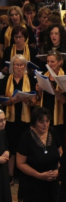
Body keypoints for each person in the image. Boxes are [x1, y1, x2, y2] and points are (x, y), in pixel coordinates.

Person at [17, 107, 61, 202]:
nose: (45, 124)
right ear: (34, 123)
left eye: (47, 121)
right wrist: (38, 175)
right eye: (41, 121)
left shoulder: (53, 133)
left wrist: (57, 170)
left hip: (51, 183)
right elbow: (20, 163)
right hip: (32, 184)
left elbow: (60, 153)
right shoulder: (26, 137)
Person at [0, 54, 37, 185]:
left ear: (25, 66)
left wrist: (28, 101)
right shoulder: (5, 80)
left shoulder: (31, 79)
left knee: (24, 148)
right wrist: (11, 101)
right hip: (10, 120)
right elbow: (2, 100)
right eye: (16, 64)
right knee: (11, 146)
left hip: (25, 120)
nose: (19, 67)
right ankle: (10, 175)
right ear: (12, 66)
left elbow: (35, 99)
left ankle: (23, 176)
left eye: (21, 65)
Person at [36, 50, 66, 145]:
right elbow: (40, 97)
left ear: (59, 62)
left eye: (52, 61)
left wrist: (54, 91)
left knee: (57, 140)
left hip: (58, 114)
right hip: (46, 110)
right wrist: (39, 90)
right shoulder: (45, 75)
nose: (49, 64)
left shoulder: (64, 76)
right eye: (48, 61)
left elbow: (65, 101)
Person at [0, 108, 15, 202]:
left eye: (4, 120)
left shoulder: (2, 132)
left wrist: (7, 152)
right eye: (0, 121)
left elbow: (6, 147)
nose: (3, 123)